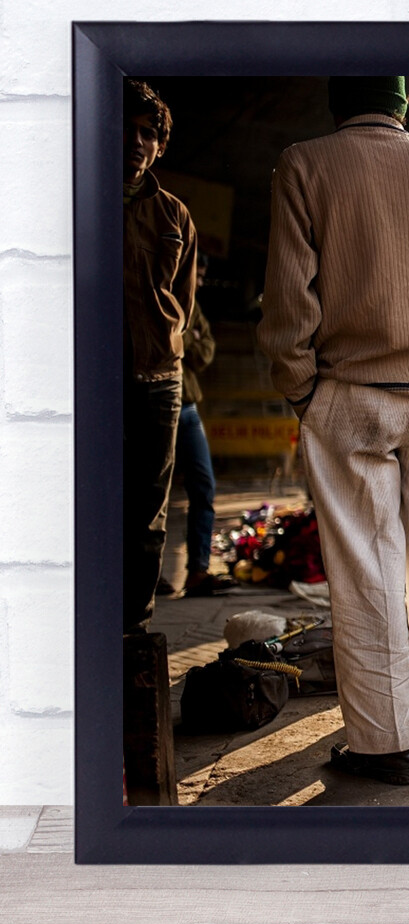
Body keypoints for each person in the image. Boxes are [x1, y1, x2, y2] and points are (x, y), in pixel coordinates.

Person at [259, 76, 409, 785]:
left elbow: (286, 299)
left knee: (365, 572)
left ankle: (384, 745)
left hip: (349, 395)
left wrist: (300, 388)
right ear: (401, 105)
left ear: (337, 101)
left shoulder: (304, 163)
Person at [123, 79, 198, 634]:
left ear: (160, 146)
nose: (137, 142)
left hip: (158, 381)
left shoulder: (174, 216)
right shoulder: (73, 199)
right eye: (127, 129)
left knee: (147, 515)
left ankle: (132, 629)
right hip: (88, 382)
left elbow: (184, 308)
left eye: (149, 134)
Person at [160, 256, 238, 598]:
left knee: (203, 487)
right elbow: (160, 344)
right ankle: (145, 575)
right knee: (153, 495)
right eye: (199, 275)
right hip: (157, 406)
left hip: (188, 408)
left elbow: (205, 352)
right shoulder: (158, 297)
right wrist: (184, 335)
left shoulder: (194, 308)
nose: (202, 282)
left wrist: (184, 337)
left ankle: (198, 572)